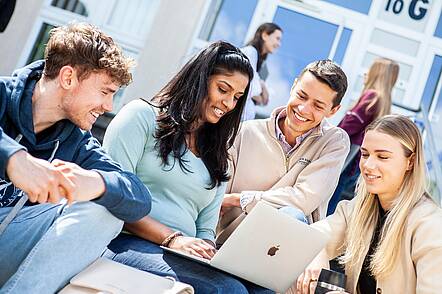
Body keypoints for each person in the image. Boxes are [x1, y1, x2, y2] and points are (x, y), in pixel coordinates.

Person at [103, 41, 271, 293]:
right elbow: (116, 199)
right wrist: (173, 239)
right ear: (200, 80)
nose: (228, 103)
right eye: (223, 89)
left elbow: (205, 228)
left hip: (182, 253)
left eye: (237, 97)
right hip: (126, 242)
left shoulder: (217, 155)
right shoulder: (141, 117)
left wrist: (205, 251)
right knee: (227, 290)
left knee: (262, 289)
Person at [0, 23, 151, 293]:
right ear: (68, 78)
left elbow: (139, 197)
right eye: (105, 91)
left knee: (104, 212)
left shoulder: (77, 142)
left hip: (9, 244)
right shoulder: (2, 95)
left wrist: (95, 183)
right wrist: (13, 158)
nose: (108, 107)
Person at [296, 115, 442, 294]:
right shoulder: (361, 207)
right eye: (365, 154)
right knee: (291, 216)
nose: (368, 165)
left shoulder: (431, 225)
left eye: (382, 156)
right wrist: (316, 255)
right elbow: (316, 233)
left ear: (410, 162)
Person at [217, 60, 350, 245]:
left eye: (318, 106)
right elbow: (217, 195)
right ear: (294, 86)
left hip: (283, 248)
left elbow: (303, 200)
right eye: (302, 96)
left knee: (291, 215)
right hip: (230, 241)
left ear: (333, 111)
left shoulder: (334, 142)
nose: (303, 109)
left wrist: (238, 199)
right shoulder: (244, 132)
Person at [327, 58, 399, 215]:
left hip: (349, 154)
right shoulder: (383, 101)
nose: (366, 72)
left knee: (332, 189)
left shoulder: (372, 96)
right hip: (358, 158)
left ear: (377, 74)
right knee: (338, 190)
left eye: (370, 69)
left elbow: (351, 124)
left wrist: (329, 135)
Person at [241, 22, 282, 121]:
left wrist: (261, 84)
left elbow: (265, 100)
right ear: (264, 35)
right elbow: (250, 89)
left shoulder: (262, 66)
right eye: (277, 38)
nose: (279, 44)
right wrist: (262, 86)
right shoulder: (250, 52)